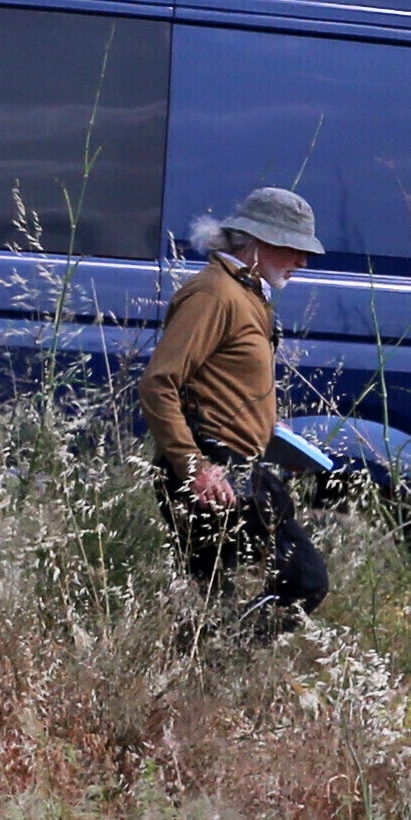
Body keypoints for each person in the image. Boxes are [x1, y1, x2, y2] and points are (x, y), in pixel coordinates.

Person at [137, 185, 330, 638]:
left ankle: (196, 669)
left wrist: (266, 427)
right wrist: (195, 468)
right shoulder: (214, 293)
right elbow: (159, 383)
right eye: (293, 248)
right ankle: (219, 658)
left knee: (210, 601)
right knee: (304, 582)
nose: (302, 261)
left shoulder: (246, 293)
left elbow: (218, 384)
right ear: (258, 242)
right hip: (215, 471)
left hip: (232, 466)